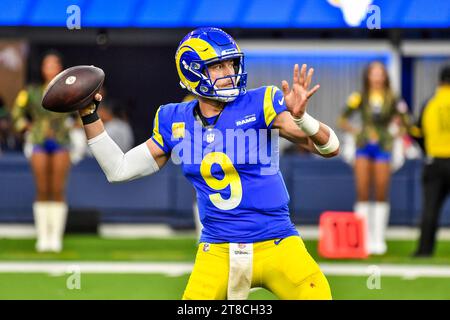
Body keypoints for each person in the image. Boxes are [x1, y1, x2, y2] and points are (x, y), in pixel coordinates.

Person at [78, 28, 339, 299]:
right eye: (218, 66)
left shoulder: (259, 103)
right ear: (192, 72)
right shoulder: (173, 119)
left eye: (231, 63)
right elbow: (118, 169)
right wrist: (88, 115)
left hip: (278, 242)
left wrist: (302, 120)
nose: (229, 72)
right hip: (218, 249)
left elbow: (329, 147)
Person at [338, 61, 411, 255]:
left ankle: (378, 239)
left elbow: (407, 122)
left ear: (385, 76)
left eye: (380, 73)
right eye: (373, 73)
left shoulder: (393, 98)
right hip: (363, 147)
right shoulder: (359, 96)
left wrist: (392, 134)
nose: (377, 77)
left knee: (380, 191)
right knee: (362, 191)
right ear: (368, 76)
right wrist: (358, 131)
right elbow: (342, 119)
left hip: (383, 148)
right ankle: (363, 238)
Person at [11, 50, 72, 253]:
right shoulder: (31, 91)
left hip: (61, 141)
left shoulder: (69, 90)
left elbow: (83, 112)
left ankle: (56, 237)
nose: (51, 69)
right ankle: (43, 237)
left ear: (60, 68)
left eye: (55, 65)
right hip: (38, 141)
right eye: (48, 65)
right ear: (42, 69)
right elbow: (16, 113)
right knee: (42, 188)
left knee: (57, 188)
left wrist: (79, 126)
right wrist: (27, 128)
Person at [410, 65, 450, 257]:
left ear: (439, 81)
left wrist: (427, 149)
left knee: (430, 208)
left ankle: (424, 251)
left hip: (434, 162)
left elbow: (416, 132)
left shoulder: (430, 102)